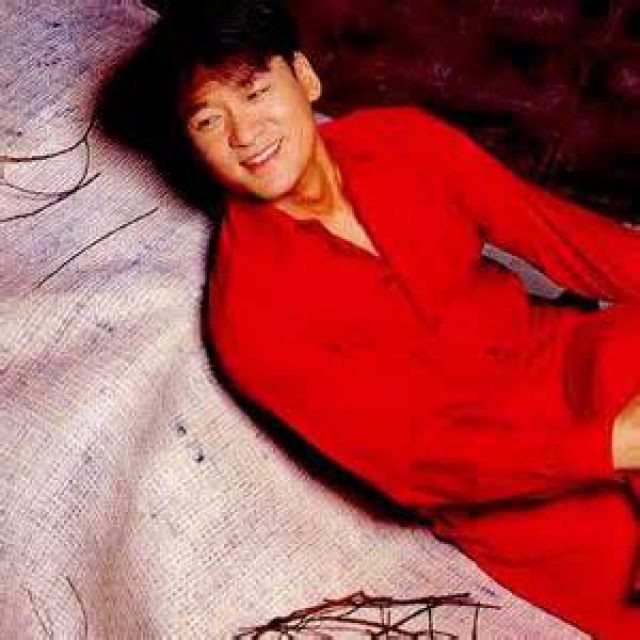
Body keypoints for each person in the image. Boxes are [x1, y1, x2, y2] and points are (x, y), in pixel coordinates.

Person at [145, 1, 640, 636]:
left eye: (256, 91)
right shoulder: (249, 318)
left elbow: (569, 242)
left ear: (305, 78)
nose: (245, 134)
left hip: (563, 355)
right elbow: (419, 464)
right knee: (617, 564)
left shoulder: (403, 141)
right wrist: (608, 445)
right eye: (209, 121)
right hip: (501, 488)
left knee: (625, 351)